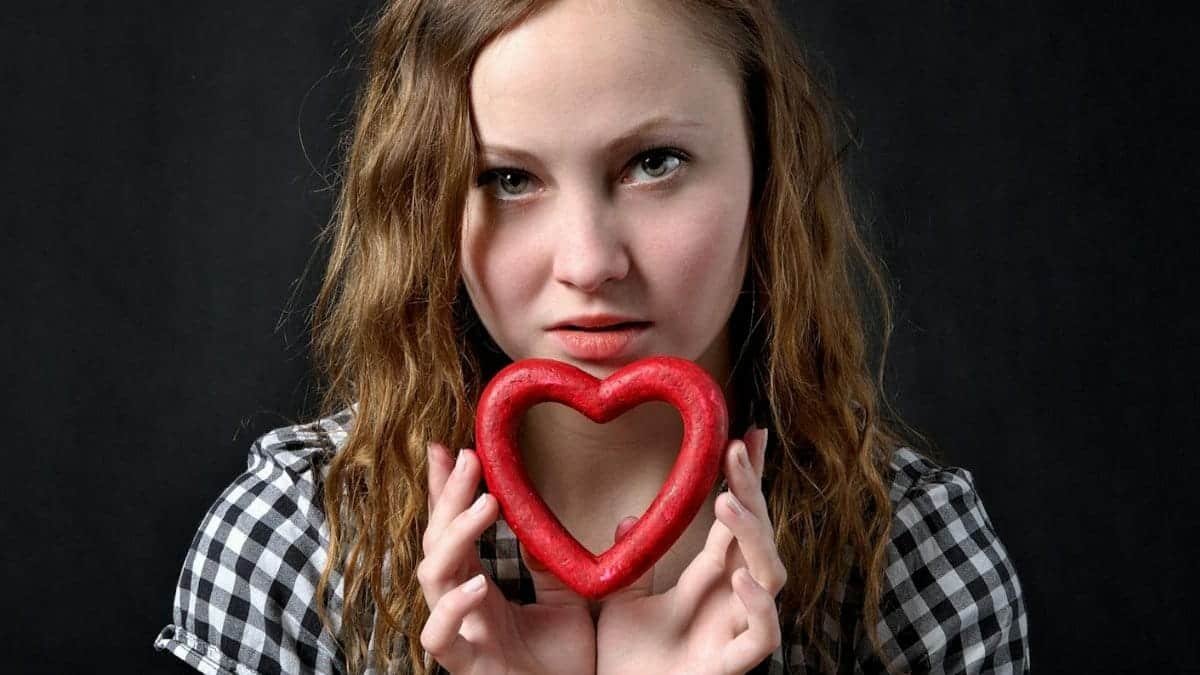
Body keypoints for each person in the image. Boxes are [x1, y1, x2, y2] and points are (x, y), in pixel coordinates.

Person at [154, 0, 1030, 673]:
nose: (589, 262)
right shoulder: (294, 546)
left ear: (769, 177)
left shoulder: (915, 559)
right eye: (506, 176)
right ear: (427, 205)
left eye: (655, 164)